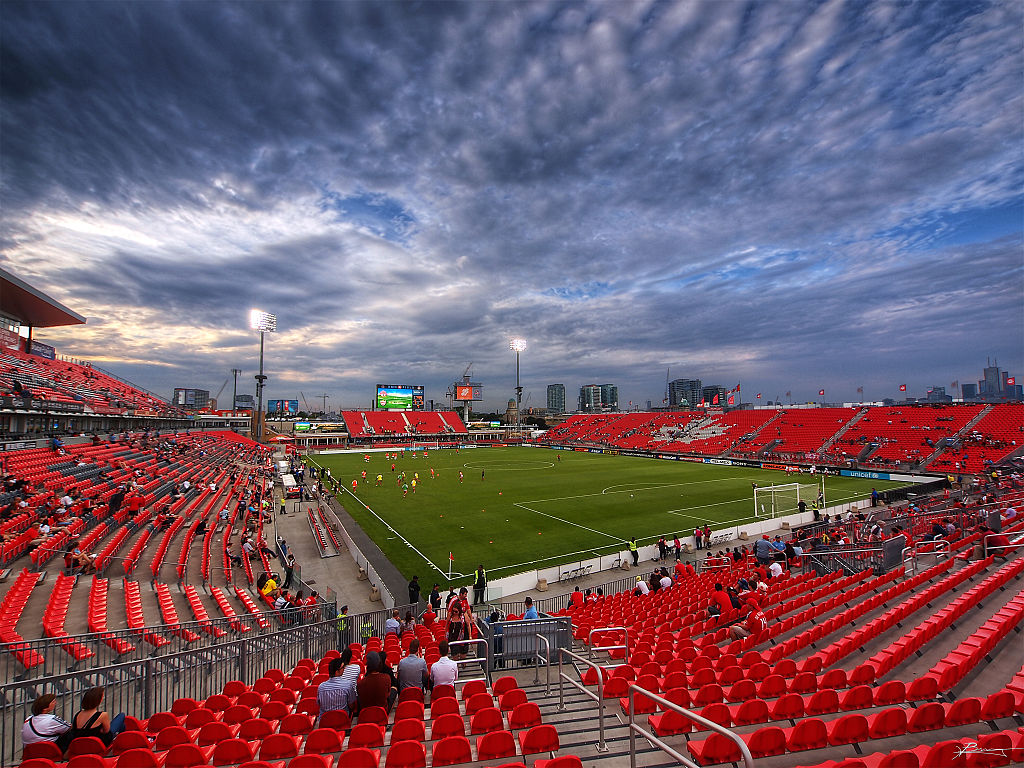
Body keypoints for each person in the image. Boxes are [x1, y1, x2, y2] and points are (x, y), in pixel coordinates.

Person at [318, 653, 358, 721]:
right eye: (342, 667)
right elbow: (352, 705)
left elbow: (319, 704)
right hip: (342, 719)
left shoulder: (321, 687)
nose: (344, 669)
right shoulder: (348, 685)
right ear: (337, 672)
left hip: (326, 720)